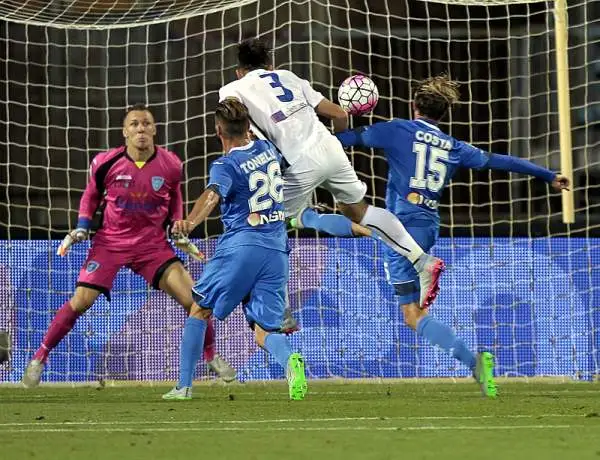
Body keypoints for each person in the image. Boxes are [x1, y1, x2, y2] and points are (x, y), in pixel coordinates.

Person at [313, 74, 569, 398]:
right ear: (443, 113)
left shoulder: (397, 129)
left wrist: (333, 120)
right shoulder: (452, 146)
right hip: (429, 225)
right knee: (411, 311)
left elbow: (343, 141)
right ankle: (474, 361)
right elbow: (499, 161)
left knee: (362, 222)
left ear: (413, 106)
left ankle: (422, 265)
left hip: (402, 227)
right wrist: (547, 175)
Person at [218, 38, 445, 311]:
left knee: (268, 226)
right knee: (359, 210)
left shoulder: (231, 90)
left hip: (297, 163)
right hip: (330, 147)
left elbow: (237, 125)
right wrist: (338, 143)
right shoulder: (288, 76)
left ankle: (279, 307)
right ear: (270, 65)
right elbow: (339, 114)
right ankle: (422, 261)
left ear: (239, 71)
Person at [22, 104, 236, 387]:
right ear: (125, 131)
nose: (141, 128)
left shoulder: (171, 164)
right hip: (110, 244)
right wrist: (83, 226)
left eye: (146, 123)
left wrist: (176, 225)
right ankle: (39, 358)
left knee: (196, 301)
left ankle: (211, 356)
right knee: (81, 301)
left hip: (152, 246)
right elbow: (91, 196)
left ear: (154, 129)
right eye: (134, 124)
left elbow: (174, 198)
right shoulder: (105, 162)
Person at [162, 99, 307, 401]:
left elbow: (212, 195)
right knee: (264, 330)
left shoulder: (225, 165)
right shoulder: (268, 150)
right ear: (248, 127)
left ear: (218, 130)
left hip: (242, 247)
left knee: (200, 309)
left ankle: (183, 387)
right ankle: (290, 361)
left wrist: (190, 222)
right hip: (277, 250)